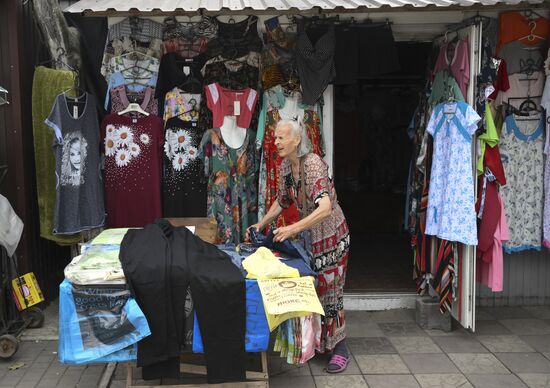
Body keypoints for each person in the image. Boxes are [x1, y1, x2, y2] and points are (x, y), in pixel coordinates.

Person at [247, 119, 351, 373]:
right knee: (315, 288)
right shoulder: (286, 167)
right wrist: (260, 224)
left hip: (331, 235)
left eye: (282, 138)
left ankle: (340, 348)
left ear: (297, 140)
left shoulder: (313, 163)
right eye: (275, 138)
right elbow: (281, 201)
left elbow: (325, 208)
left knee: (331, 291)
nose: (276, 142)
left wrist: (291, 229)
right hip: (310, 235)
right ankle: (320, 343)